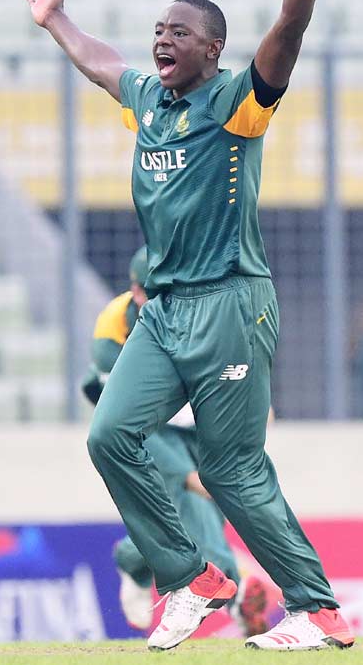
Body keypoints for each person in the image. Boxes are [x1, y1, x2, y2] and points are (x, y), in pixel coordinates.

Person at [26, 0, 356, 652]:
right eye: (158, 30)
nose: (162, 41)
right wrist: (56, 20)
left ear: (214, 49)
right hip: (166, 310)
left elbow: (290, 25)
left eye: (179, 32)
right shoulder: (150, 101)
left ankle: (315, 608)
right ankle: (192, 577)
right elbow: (102, 62)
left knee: (230, 468)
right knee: (110, 436)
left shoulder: (237, 105)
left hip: (231, 304)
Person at [82, 246, 269, 636]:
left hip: (196, 421)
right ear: (137, 293)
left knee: (202, 512)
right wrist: (185, 474)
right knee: (193, 505)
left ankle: (134, 558)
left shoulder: (205, 310)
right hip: (148, 425)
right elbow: (122, 419)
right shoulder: (113, 331)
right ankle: (234, 599)